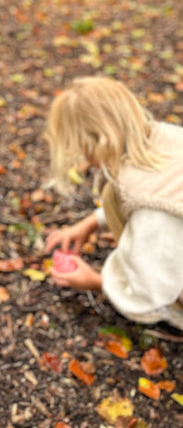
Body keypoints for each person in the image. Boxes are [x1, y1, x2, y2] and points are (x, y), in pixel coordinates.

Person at [44, 76, 183, 332]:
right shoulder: (164, 138)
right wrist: (90, 224)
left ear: (99, 143)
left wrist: (97, 282)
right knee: (112, 193)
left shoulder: (154, 213)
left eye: (83, 150)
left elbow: (152, 288)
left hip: (162, 281)